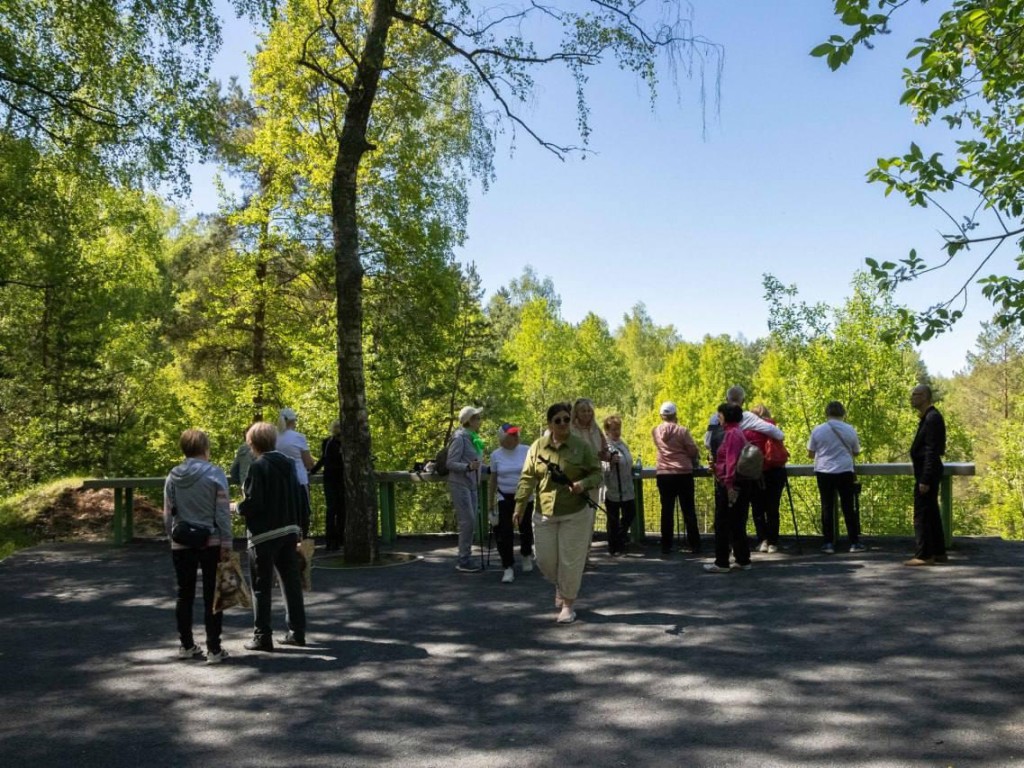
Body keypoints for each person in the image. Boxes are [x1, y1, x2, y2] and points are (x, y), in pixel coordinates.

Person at [514, 402, 603, 624]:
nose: (563, 424)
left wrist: (583, 484)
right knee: (544, 560)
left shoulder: (581, 447)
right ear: (550, 424)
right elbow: (527, 477)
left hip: (575, 512)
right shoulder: (537, 447)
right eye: (558, 420)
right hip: (544, 512)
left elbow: (597, 473)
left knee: (570, 561)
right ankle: (562, 587)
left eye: (566, 419)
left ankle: (567, 605)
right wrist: (519, 506)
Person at [163, 429, 233, 664]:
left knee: (185, 594)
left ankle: (186, 644)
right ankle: (214, 648)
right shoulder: (215, 474)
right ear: (205, 447)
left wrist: (170, 538)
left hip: (181, 541)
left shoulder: (173, 476)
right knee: (212, 594)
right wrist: (227, 542)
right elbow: (222, 512)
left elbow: (167, 513)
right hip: (210, 541)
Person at [238, 421, 307, 651]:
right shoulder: (289, 464)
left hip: (264, 535)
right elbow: (299, 496)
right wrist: (300, 528)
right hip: (288, 530)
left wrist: (237, 508)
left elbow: (255, 503)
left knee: (261, 586)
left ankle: (262, 635)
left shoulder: (258, 467)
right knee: (291, 583)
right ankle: (297, 632)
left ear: (252, 444)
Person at [807, 401, 865, 554]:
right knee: (848, 507)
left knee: (827, 507)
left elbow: (810, 453)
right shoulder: (850, 429)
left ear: (827, 413)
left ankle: (828, 543)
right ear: (843, 413)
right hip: (845, 470)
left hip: (824, 471)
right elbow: (856, 451)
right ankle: (854, 542)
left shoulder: (818, 430)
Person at [704, 404, 753, 573]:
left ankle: (722, 562)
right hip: (742, 483)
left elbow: (731, 462)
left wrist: (729, 484)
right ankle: (743, 559)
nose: (718, 418)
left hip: (730, 484)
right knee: (738, 522)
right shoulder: (739, 432)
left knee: (722, 523)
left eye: (720, 415)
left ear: (726, 416)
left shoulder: (731, 434)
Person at [651, 401, 701, 555]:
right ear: (675, 415)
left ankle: (666, 546)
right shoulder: (682, 431)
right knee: (688, 511)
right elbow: (692, 451)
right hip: (683, 473)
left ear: (661, 416)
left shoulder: (655, 431)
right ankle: (695, 545)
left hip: (664, 474)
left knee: (667, 510)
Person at [906, 384, 948, 566]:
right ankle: (939, 552)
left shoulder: (932, 418)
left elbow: (932, 451)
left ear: (926, 397)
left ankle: (924, 555)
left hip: (926, 471)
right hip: (926, 470)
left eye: (917, 394)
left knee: (922, 513)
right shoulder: (928, 418)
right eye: (913, 394)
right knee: (931, 512)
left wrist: (925, 479)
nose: (913, 397)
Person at [487, 423, 534, 583]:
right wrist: (490, 502)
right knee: (504, 534)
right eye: (511, 435)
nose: (515, 437)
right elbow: (493, 479)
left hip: (524, 498)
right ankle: (507, 567)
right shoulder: (495, 455)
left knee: (526, 529)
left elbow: (533, 473)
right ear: (502, 438)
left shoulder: (526, 450)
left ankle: (526, 553)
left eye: (516, 434)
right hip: (503, 497)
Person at [746, 404, 789, 554]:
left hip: (756, 473)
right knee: (773, 508)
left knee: (757, 508)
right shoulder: (773, 428)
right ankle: (773, 542)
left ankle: (762, 540)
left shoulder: (748, 431)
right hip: (776, 471)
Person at [447, 405, 485, 573]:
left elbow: (477, 463)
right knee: (467, 521)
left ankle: (466, 557)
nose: (480, 421)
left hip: (472, 485)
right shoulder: (460, 437)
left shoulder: (473, 438)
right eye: (477, 418)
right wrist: (468, 467)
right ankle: (464, 560)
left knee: (471, 522)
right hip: (460, 483)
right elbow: (450, 463)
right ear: (469, 421)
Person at [703, 385, 784, 459]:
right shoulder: (748, 417)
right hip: (738, 467)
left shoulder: (715, 418)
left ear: (727, 399)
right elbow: (778, 434)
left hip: (720, 467)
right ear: (743, 401)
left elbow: (707, 443)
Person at [276, 407, 315, 537]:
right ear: (292, 421)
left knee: (284, 515)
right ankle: (302, 543)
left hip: (279, 483)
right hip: (299, 480)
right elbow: (308, 463)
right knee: (303, 514)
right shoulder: (299, 437)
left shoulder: (274, 438)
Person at [603, 415, 636, 557]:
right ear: (607, 431)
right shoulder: (606, 448)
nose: (617, 432)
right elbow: (603, 470)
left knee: (630, 514)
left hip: (627, 488)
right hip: (613, 489)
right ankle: (614, 546)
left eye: (618, 429)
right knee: (613, 519)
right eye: (614, 429)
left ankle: (620, 539)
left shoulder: (623, 444)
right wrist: (610, 462)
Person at [311, 420, 345, 552]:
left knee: (332, 509)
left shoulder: (327, 442)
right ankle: (340, 538)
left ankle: (331, 541)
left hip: (329, 477)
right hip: (340, 478)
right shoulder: (344, 443)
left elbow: (323, 459)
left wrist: (313, 471)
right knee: (341, 509)